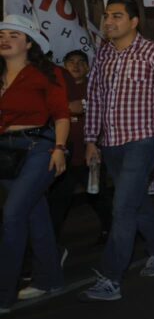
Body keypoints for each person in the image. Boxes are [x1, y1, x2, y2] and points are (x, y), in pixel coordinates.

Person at [79, 0, 154, 302]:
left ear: (133, 22)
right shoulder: (103, 54)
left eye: (117, 16)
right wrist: (91, 139)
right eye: (106, 16)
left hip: (143, 139)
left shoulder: (153, 52)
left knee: (122, 207)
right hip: (112, 143)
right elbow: (95, 98)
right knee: (136, 202)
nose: (109, 22)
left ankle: (111, 277)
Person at [0, 15, 69, 313]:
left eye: (14, 35)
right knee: (33, 216)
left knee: (12, 215)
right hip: (5, 154)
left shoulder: (47, 73)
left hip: (39, 148)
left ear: (29, 43)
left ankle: (4, 292)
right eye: (2, 34)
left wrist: (60, 148)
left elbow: (62, 114)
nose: (5, 39)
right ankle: (50, 278)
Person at [46, 50, 112, 248]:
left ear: (89, 67)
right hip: (63, 155)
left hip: (91, 154)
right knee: (58, 201)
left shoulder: (96, 89)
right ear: (64, 66)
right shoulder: (55, 88)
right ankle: (49, 244)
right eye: (71, 62)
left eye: (81, 62)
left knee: (99, 196)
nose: (76, 66)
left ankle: (110, 232)